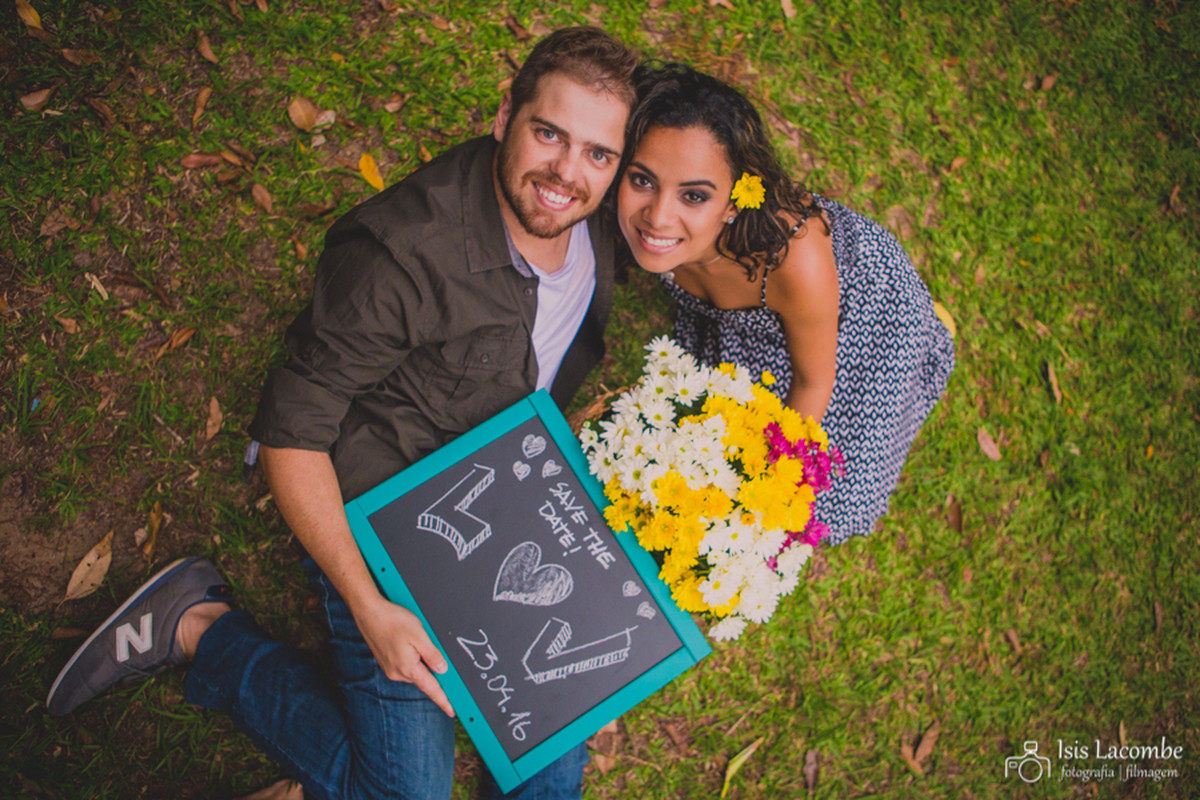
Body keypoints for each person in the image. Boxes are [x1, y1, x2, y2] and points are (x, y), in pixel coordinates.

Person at [46, 26, 638, 800]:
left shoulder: (613, 221)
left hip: (510, 512)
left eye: (598, 154)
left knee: (548, 781)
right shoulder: (401, 254)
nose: (566, 173)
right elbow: (291, 435)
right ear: (504, 116)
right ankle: (197, 627)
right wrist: (370, 605)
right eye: (548, 134)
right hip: (390, 520)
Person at [615, 64, 954, 543]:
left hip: (863, 315)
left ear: (734, 203)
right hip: (762, 320)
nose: (657, 217)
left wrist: (754, 499)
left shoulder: (793, 259)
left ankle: (928, 327)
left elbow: (814, 383)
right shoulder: (623, 206)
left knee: (829, 498)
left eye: (694, 196)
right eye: (643, 180)